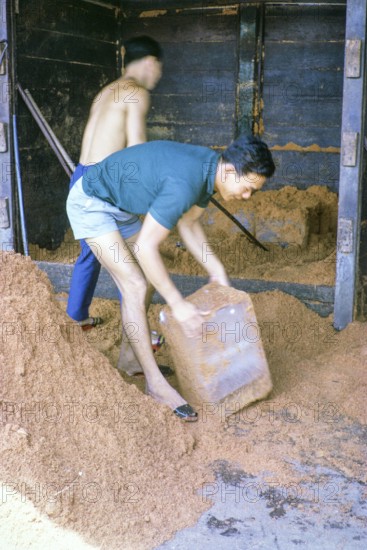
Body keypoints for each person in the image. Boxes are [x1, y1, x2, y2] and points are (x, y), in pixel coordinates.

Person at [66, 135, 275, 421]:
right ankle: (156, 385)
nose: (247, 196)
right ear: (229, 172)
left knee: (152, 273)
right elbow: (145, 246)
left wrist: (216, 270)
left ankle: (130, 358)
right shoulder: (186, 183)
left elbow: (189, 223)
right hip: (90, 202)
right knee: (136, 284)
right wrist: (177, 303)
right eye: (248, 188)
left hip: (120, 207)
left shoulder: (209, 168)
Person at [66, 35, 163, 335]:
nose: (159, 74)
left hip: (81, 178)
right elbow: (136, 152)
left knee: (92, 251)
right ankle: (136, 334)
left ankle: (76, 317)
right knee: (136, 265)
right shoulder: (136, 92)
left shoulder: (106, 91)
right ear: (149, 62)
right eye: (159, 67)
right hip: (105, 185)